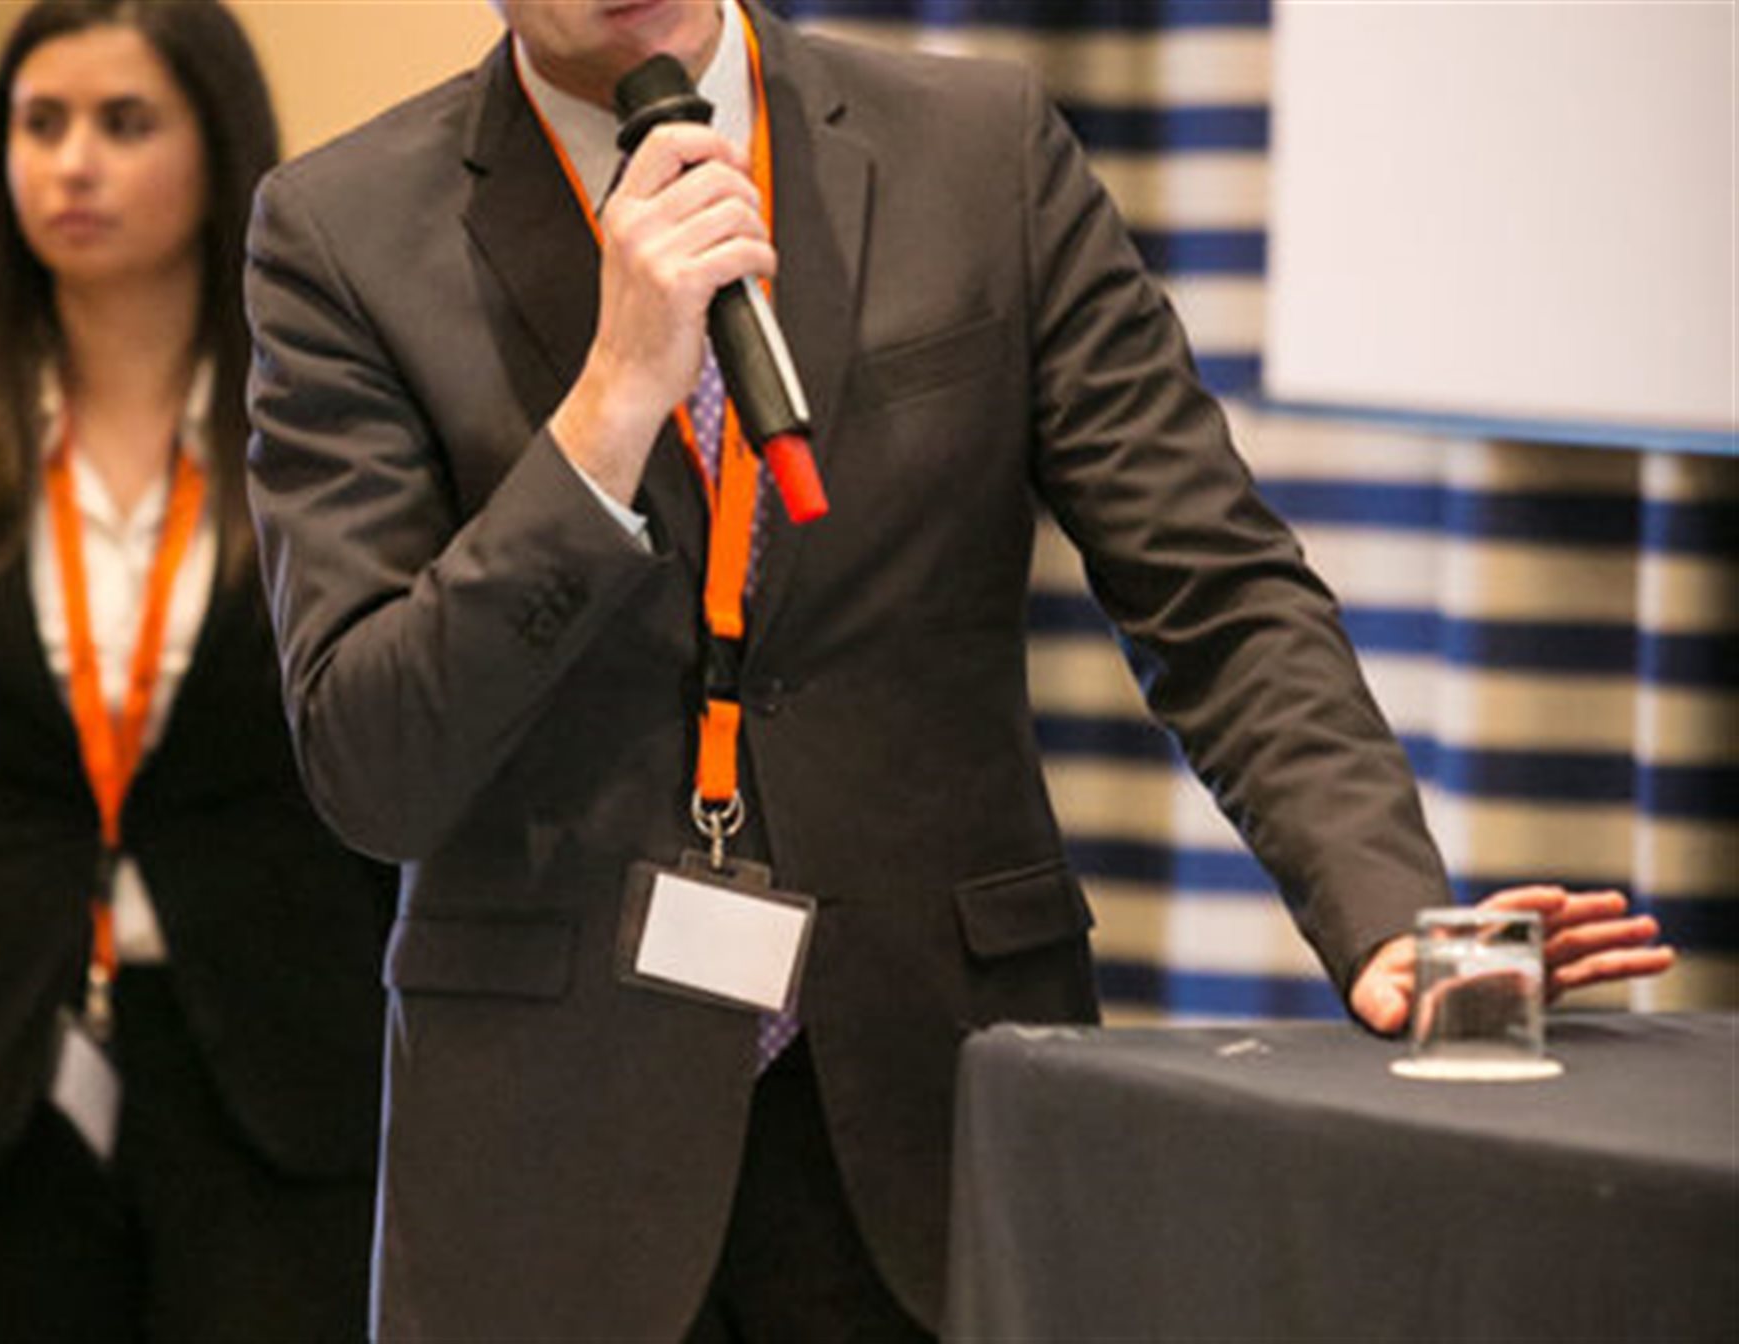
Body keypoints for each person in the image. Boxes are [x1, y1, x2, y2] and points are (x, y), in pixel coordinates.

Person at [241, 1, 1674, 1339]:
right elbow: (373, 766)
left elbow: (1218, 589)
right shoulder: (341, 232)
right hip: (554, 1165)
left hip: (940, 1104)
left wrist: (1386, 918)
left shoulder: (977, 153)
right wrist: (611, 406)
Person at [0, 2, 392, 1339]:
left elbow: (381, 742)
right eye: (41, 124)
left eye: (124, 124)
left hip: (278, 1071)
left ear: (220, 148)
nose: (72, 164)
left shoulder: (321, 421)